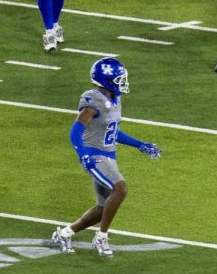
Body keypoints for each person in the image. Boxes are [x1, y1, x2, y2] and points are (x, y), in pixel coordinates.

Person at [50, 57, 161, 258]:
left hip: (109, 156)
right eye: (119, 79)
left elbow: (113, 131)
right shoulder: (94, 101)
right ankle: (101, 237)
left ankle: (64, 234)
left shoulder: (115, 99)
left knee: (104, 208)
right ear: (107, 80)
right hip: (94, 156)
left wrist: (140, 145)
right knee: (120, 189)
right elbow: (75, 132)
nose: (122, 82)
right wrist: (83, 156)